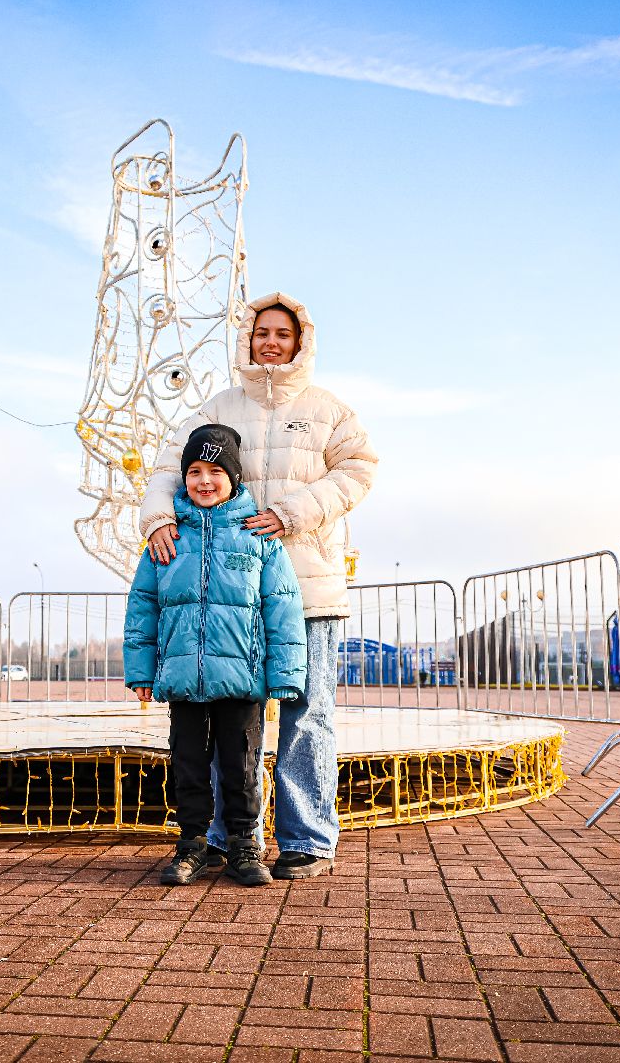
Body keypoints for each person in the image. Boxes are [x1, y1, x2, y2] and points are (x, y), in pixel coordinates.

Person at [140, 293, 377, 880]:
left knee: (306, 714)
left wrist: (294, 511)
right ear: (247, 339)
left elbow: (360, 469)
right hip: (231, 595)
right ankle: (221, 836)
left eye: (283, 333)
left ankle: (307, 838)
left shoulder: (330, 411)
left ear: (301, 342)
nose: (271, 342)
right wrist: (157, 519)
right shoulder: (218, 407)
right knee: (222, 717)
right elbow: (170, 469)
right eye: (261, 332)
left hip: (311, 585)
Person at [124, 424, 307, 887]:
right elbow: (142, 608)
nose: (204, 481)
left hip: (242, 677)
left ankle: (246, 847)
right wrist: (142, 670)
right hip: (184, 676)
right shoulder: (166, 539)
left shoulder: (259, 537)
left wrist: (284, 675)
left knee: (240, 764)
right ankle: (191, 846)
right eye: (194, 472)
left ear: (234, 478)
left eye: (215, 472)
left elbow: (282, 606)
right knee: (187, 764)